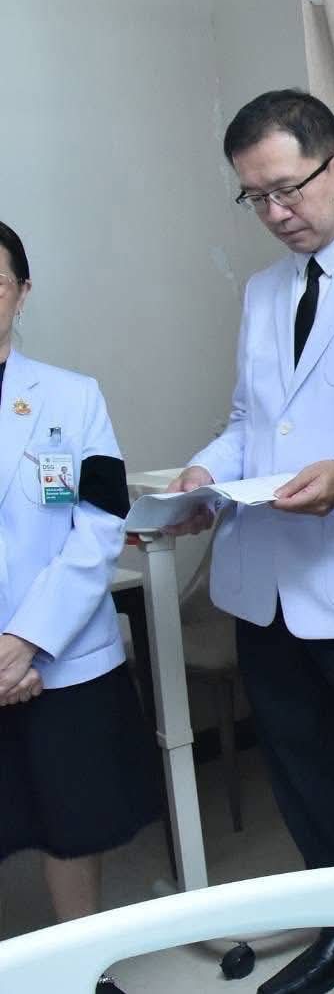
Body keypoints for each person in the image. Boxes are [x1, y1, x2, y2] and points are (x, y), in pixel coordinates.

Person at [163, 90, 334, 994]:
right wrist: (204, 472)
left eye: (286, 189)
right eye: (254, 197)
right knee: (304, 777)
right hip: (260, 584)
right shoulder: (265, 291)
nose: (274, 212)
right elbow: (248, 422)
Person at [0, 221, 160, 994]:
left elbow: (99, 523)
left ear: (23, 292)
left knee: (72, 819)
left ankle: (79, 972)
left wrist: (27, 640)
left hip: (60, 655)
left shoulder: (72, 397)